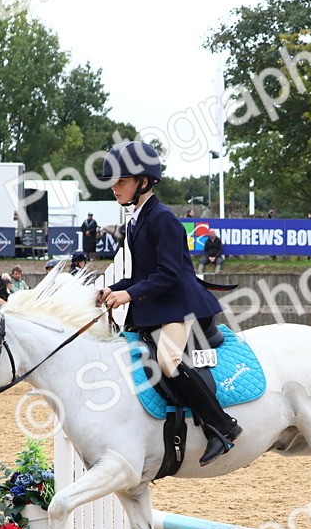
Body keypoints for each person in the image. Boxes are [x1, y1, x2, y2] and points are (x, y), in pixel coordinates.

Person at [97, 141, 240, 465]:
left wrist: (129, 295)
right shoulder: (137, 220)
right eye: (114, 182)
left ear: (143, 182)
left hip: (180, 305)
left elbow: (169, 275)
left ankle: (223, 426)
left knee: (167, 362)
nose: (114, 188)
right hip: (161, 304)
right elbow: (141, 275)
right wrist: (113, 289)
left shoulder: (163, 219)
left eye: (121, 181)